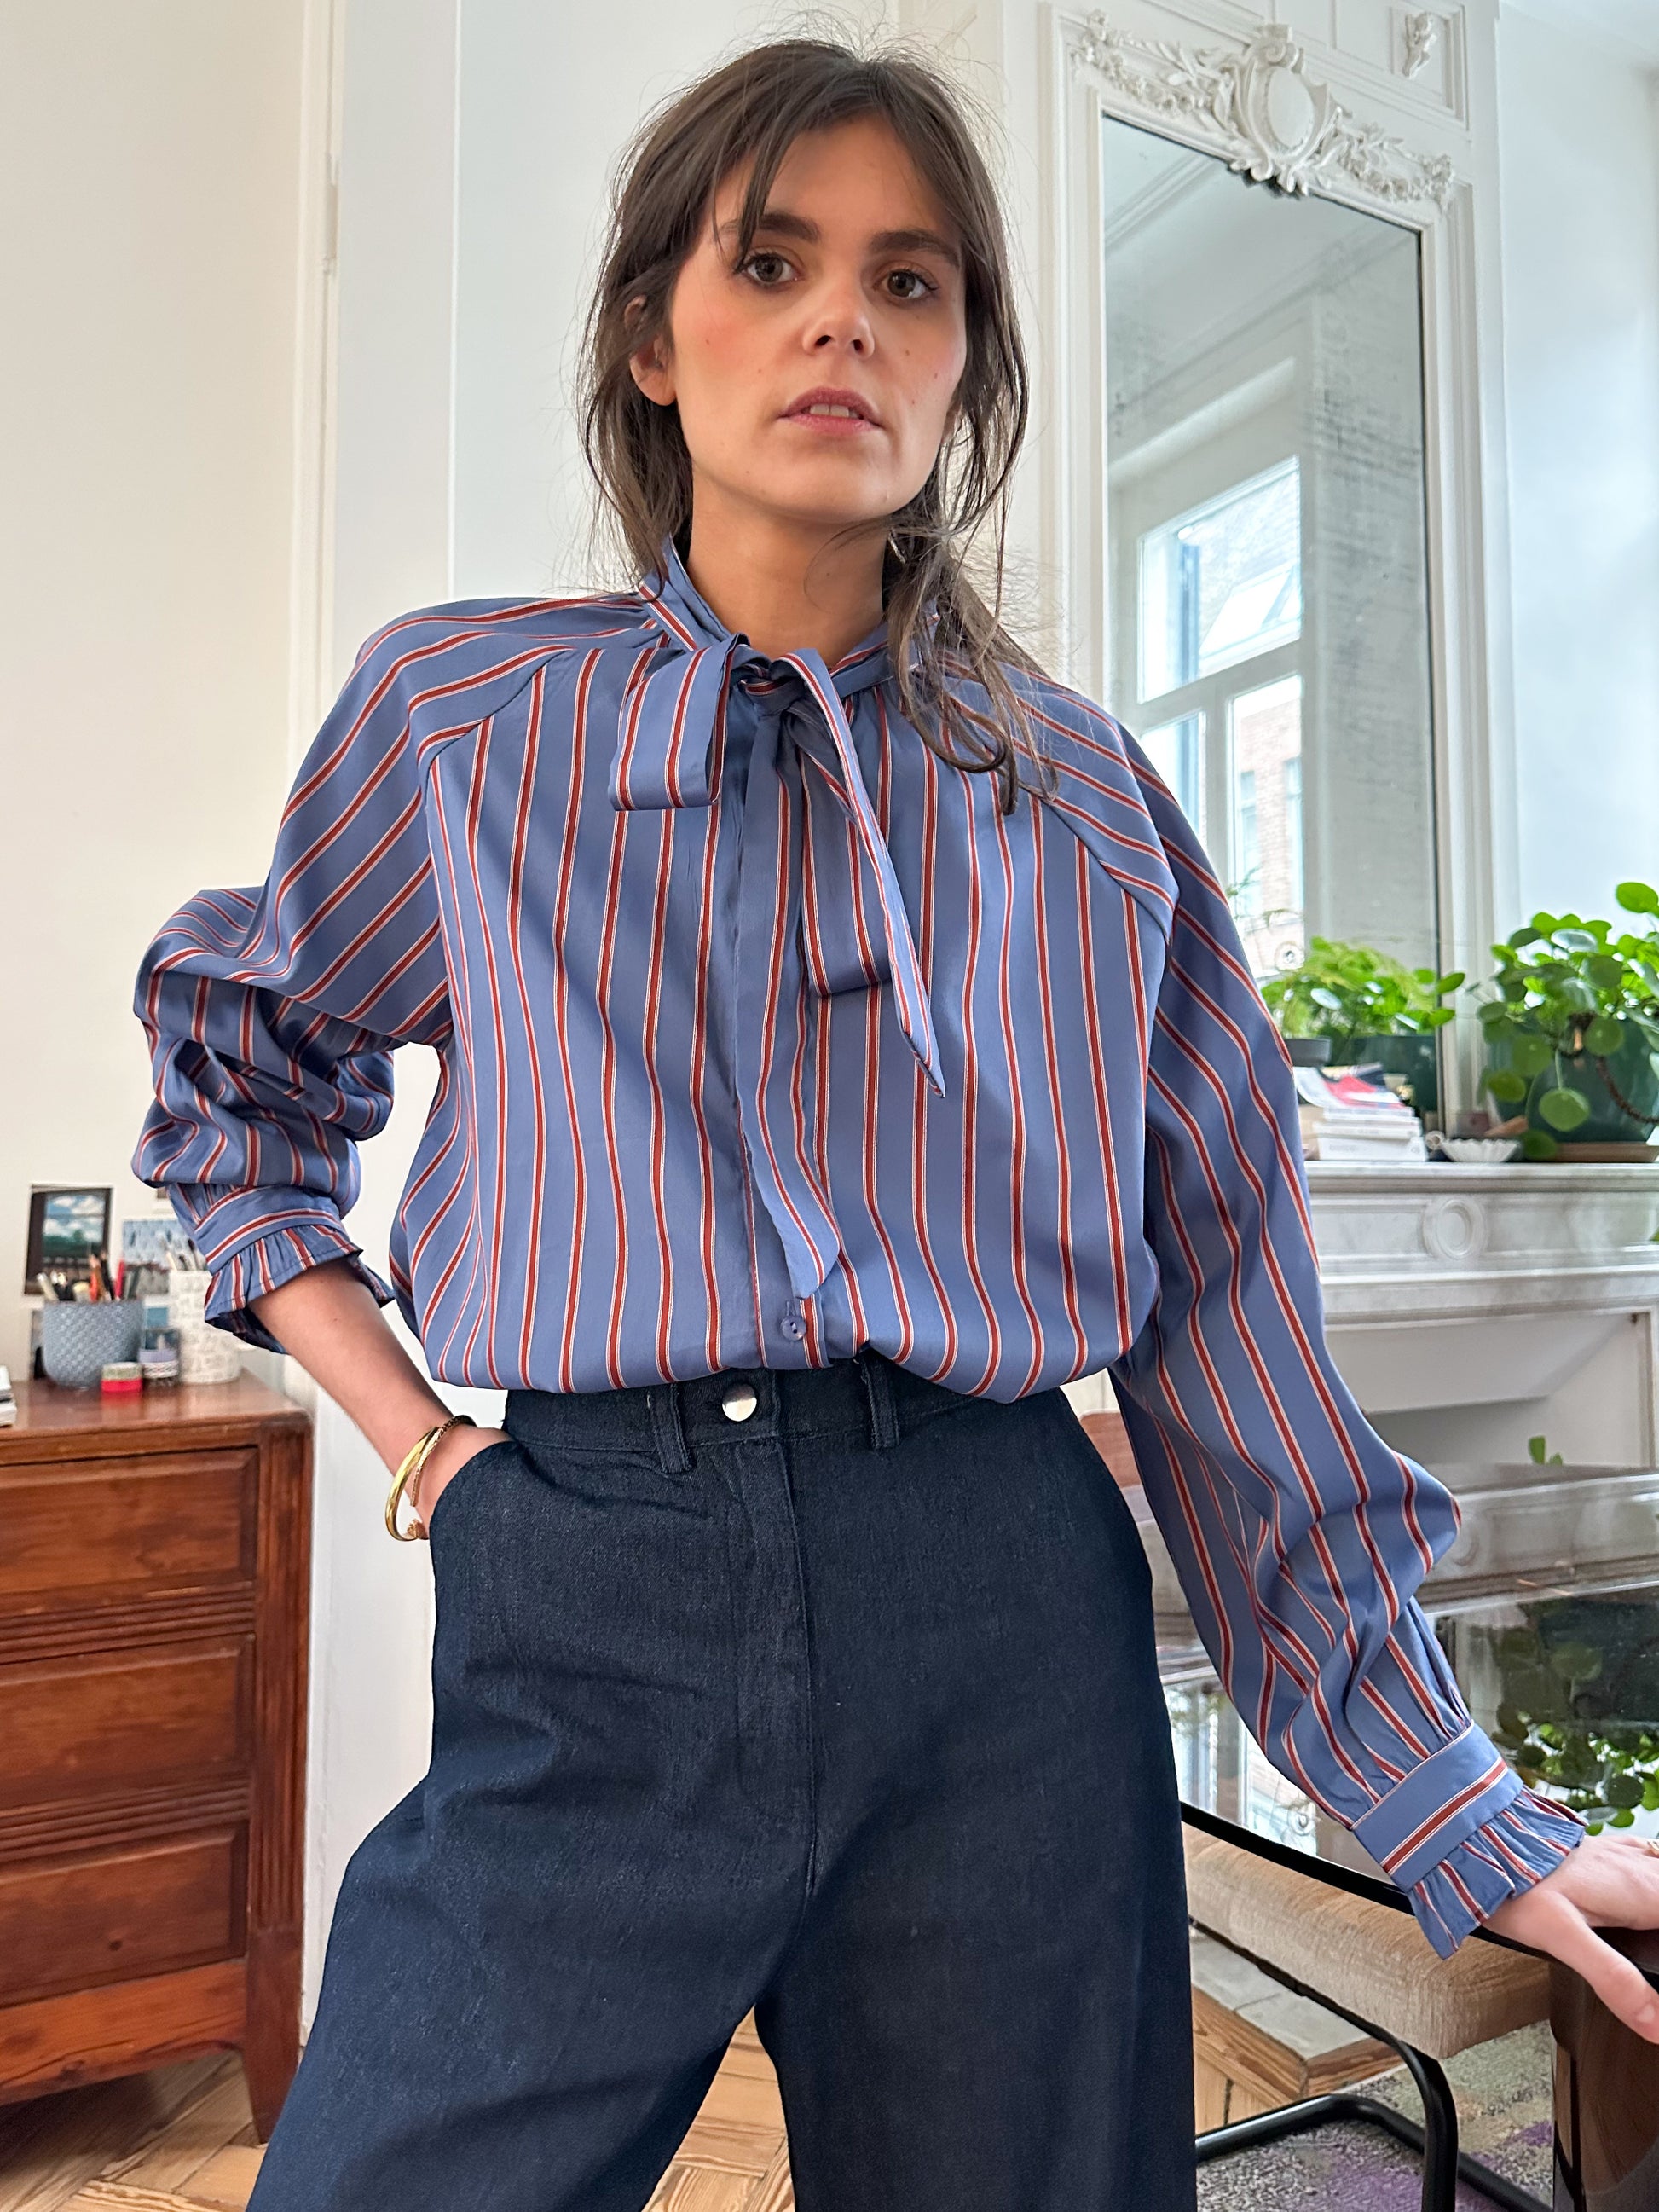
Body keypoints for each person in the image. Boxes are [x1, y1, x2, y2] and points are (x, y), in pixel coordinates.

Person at [130, 34, 1659, 2212]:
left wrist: (1450, 1800)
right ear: (652, 337)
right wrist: (430, 1460)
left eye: (910, 281)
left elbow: (1227, 1317)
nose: (843, 319)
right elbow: (241, 1078)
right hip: (589, 1582)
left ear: (964, 367)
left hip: (999, 1616)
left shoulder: (1087, 803)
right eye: (772, 262)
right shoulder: (461, 719)